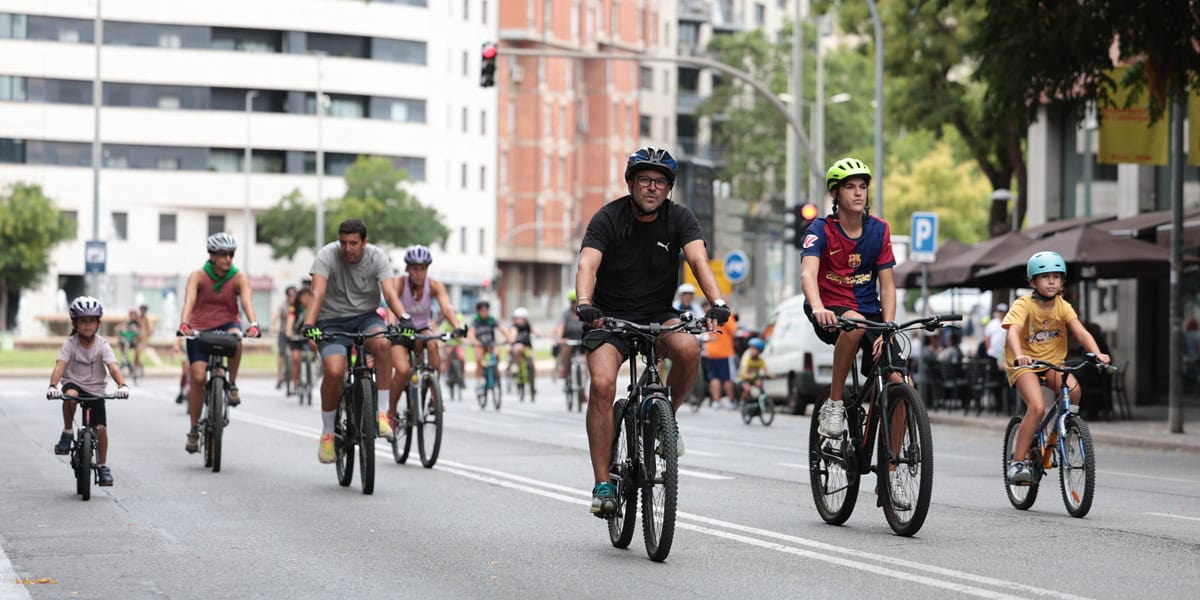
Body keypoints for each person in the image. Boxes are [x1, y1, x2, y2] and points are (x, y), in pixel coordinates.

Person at [574, 146, 731, 516]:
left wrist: (717, 302)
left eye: (660, 183)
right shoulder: (607, 218)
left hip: (658, 314)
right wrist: (584, 301)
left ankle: (665, 421)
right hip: (608, 317)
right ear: (630, 183)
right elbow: (587, 263)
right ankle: (603, 484)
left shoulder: (680, 219)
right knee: (600, 385)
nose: (652, 188)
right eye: (644, 180)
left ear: (669, 189)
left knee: (690, 351)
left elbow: (697, 260)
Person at [801, 157, 910, 509]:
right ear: (836, 193)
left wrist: (889, 329)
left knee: (900, 384)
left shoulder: (879, 229)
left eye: (863, 186)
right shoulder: (821, 229)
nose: (859, 192)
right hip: (829, 307)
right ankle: (834, 403)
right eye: (850, 186)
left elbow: (888, 287)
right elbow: (808, 273)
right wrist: (817, 306)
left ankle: (890, 474)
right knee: (854, 324)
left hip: (871, 312)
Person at [300, 219, 413, 463]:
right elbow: (317, 293)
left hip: (365, 317)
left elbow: (390, 293)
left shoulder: (377, 257)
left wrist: (404, 318)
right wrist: (309, 324)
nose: (347, 249)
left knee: (383, 344)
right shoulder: (327, 256)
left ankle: (382, 414)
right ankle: (328, 433)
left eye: (353, 243)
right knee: (334, 370)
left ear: (364, 242)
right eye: (343, 243)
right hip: (330, 321)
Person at [1003, 251, 1110, 484]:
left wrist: (1097, 353)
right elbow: (1013, 331)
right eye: (1044, 276)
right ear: (1032, 281)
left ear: (1062, 281)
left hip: (1052, 364)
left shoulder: (1063, 306)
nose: (1051, 281)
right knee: (1038, 406)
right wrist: (1020, 355)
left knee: (1074, 391)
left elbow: (1080, 331)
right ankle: (1018, 462)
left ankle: (1067, 429)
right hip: (1025, 365)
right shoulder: (1023, 305)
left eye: (1056, 276)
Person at [178, 233, 262, 453]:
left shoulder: (238, 277)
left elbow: (246, 300)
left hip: (227, 324)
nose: (228, 259)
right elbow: (189, 300)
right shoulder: (197, 276)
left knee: (237, 339)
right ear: (212, 256)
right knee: (197, 377)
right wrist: (184, 323)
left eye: (231, 254)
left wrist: (253, 323)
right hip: (199, 327)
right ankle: (194, 430)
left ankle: (231, 384)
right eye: (223, 255)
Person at [47, 296, 130, 486]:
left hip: (96, 390)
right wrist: (53, 386)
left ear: (98, 323)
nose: (87, 325)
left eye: (91, 321)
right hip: (73, 384)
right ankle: (68, 432)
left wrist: (121, 385)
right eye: (83, 321)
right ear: (75, 323)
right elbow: (60, 366)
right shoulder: (70, 343)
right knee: (71, 397)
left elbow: (113, 367)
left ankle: (102, 466)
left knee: (100, 429)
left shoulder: (103, 345)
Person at [385, 245, 466, 429]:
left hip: (422, 330)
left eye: (423, 269)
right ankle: (390, 413)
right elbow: (391, 305)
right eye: (415, 269)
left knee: (433, 344)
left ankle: (433, 394)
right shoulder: (398, 283)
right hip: (400, 330)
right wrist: (391, 326)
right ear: (407, 269)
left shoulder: (435, 285)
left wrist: (458, 327)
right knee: (403, 371)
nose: (419, 273)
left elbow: (447, 307)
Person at [466, 300, 513, 392]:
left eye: (486, 310)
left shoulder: (491, 320)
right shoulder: (476, 321)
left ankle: (495, 372)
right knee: (479, 359)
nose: (484, 313)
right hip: (479, 344)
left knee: (497, 354)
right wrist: (475, 341)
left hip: (490, 343)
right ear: (478, 311)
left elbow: (502, 329)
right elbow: (471, 333)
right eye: (482, 311)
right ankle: (479, 382)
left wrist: (509, 338)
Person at [703, 307, 738, 409]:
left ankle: (716, 401)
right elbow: (734, 332)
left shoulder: (709, 315)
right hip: (725, 353)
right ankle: (731, 401)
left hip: (711, 352)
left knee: (714, 378)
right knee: (727, 378)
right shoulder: (727, 316)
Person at [285, 288, 315, 391]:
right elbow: (291, 318)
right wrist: (289, 330)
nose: (306, 299)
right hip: (296, 336)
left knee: (315, 348)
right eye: (303, 296)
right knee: (295, 358)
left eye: (308, 296)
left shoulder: (313, 307)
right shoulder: (294, 307)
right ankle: (295, 382)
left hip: (309, 335)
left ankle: (313, 368)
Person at [507, 307, 543, 392]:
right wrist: (512, 340)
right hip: (517, 347)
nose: (519, 321)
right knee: (518, 348)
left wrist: (541, 334)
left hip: (527, 347)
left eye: (521, 319)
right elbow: (512, 335)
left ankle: (532, 384)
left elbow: (536, 331)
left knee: (532, 363)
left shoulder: (528, 326)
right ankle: (515, 366)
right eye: (517, 319)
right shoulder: (514, 327)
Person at [554, 290, 585, 380]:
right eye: (572, 302)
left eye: (576, 302)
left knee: (587, 360)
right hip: (569, 339)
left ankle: (583, 385)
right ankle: (565, 369)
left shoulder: (585, 312)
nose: (575, 304)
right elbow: (561, 326)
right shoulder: (565, 314)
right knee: (566, 348)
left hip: (582, 339)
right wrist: (559, 338)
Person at [274, 286, 298, 389]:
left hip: (295, 333)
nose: (292, 297)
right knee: (282, 354)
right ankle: (279, 377)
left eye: (294, 295)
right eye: (290, 295)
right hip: (284, 332)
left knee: (297, 355)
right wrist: (274, 326)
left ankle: (296, 378)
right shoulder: (283, 305)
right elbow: (276, 316)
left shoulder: (298, 306)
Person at [737, 337, 769, 405]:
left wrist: (768, 375)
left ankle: (761, 400)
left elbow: (766, 370)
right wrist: (751, 375)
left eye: (754, 349)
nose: (751, 351)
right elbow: (744, 373)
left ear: (759, 351)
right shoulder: (747, 360)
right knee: (747, 389)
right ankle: (742, 402)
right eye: (751, 349)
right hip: (743, 379)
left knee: (759, 383)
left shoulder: (761, 361)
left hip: (753, 378)